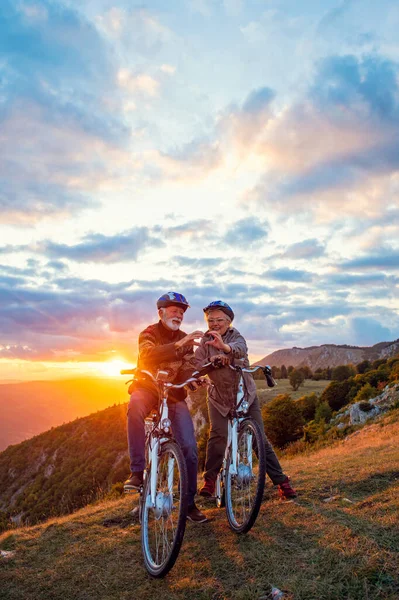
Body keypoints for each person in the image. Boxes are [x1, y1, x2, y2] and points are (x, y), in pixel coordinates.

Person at [194, 300, 297, 501]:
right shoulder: (204, 341)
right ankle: (211, 479)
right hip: (219, 399)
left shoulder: (236, 336)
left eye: (219, 320)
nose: (214, 324)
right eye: (210, 320)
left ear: (229, 321)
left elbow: (239, 348)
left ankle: (282, 481)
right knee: (219, 435)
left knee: (259, 440)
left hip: (245, 397)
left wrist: (224, 349)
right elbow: (197, 362)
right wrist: (205, 366)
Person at [124, 292, 208, 523]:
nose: (178, 314)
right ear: (160, 312)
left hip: (172, 394)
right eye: (173, 310)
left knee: (190, 448)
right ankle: (137, 473)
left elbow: (187, 367)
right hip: (148, 388)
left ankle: (189, 504)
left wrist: (195, 378)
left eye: (181, 312)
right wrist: (178, 344)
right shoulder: (149, 333)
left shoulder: (185, 339)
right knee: (134, 409)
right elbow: (147, 356)